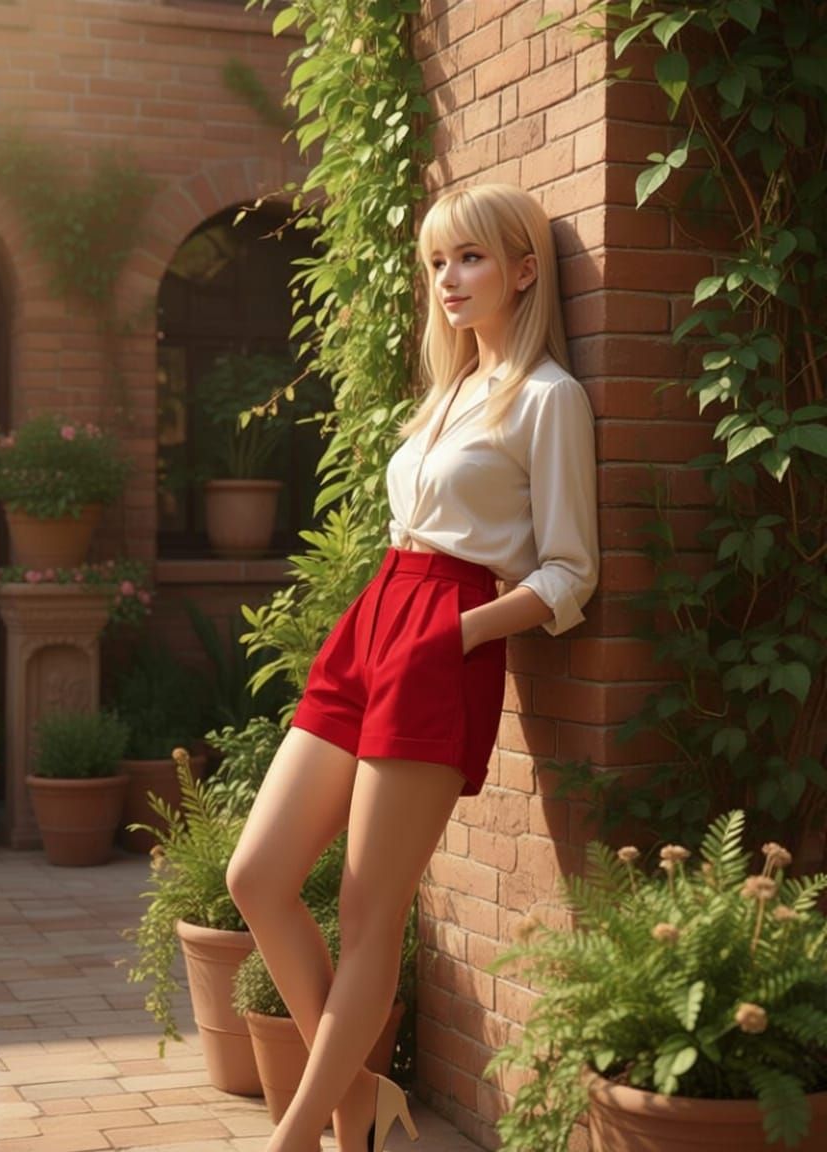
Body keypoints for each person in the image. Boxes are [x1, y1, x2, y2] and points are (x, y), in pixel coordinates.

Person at [226, 183, 599, 1152]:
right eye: (437, 262)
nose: (447, 279)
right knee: (257, 875)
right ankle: (365, 1112)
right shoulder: (445, 395)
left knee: (366, 909)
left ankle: (298, 1138)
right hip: (373, 621)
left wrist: (463, 634)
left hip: (445, 635)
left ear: (524, 269)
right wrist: (392, 627)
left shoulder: (548, 399)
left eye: (469, 258)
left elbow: (569, 572)